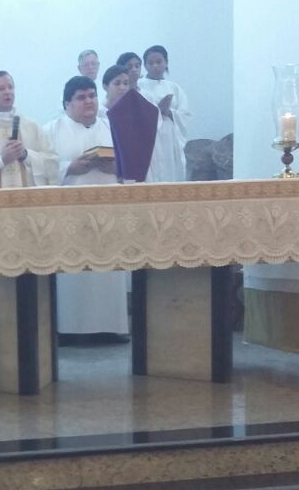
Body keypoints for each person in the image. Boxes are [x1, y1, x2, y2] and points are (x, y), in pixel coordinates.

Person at [43, 77, 129, 338]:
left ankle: (112, 328)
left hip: (107, 212)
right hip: (70, 215)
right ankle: (69, 329)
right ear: (67, 103)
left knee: (108, 269)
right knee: (73, 272)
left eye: (92, 95)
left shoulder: (113, 127)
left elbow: (132, 166)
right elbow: (40, 170)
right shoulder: (51, 130)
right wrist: (69, 168)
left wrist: (115, 167)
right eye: (81, 97)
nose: (89, 101)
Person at [0, 70, 58, 188]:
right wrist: (1, 160)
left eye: (10, 87)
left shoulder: (31, 126)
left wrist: (26, 155)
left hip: (28, 197)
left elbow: (52, 163)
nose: (8, 92)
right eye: (1, 89)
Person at [137, 45, 191, 183]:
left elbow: (184, 115)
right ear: (145, 65)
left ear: (166, 62)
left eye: (159, 62)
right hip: (149, 139)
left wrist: (169, 112)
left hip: (170, 139)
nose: (155, 66)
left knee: (171, 174)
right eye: (151, 63)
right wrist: (157, 111)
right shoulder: (139, 86)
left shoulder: (174, 88)